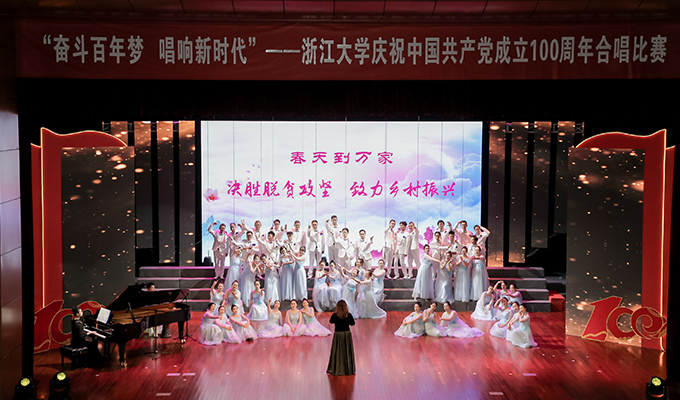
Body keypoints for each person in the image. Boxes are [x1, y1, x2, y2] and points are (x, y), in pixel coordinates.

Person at [327, 300, 356, 376]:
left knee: (337, 351)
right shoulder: (348, 315)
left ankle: (336, 368)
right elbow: (352, 323)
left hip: (338, 334)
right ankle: (348, 369)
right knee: (347, 352)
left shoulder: (335, 315)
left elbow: (331, 321)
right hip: (347, 335)